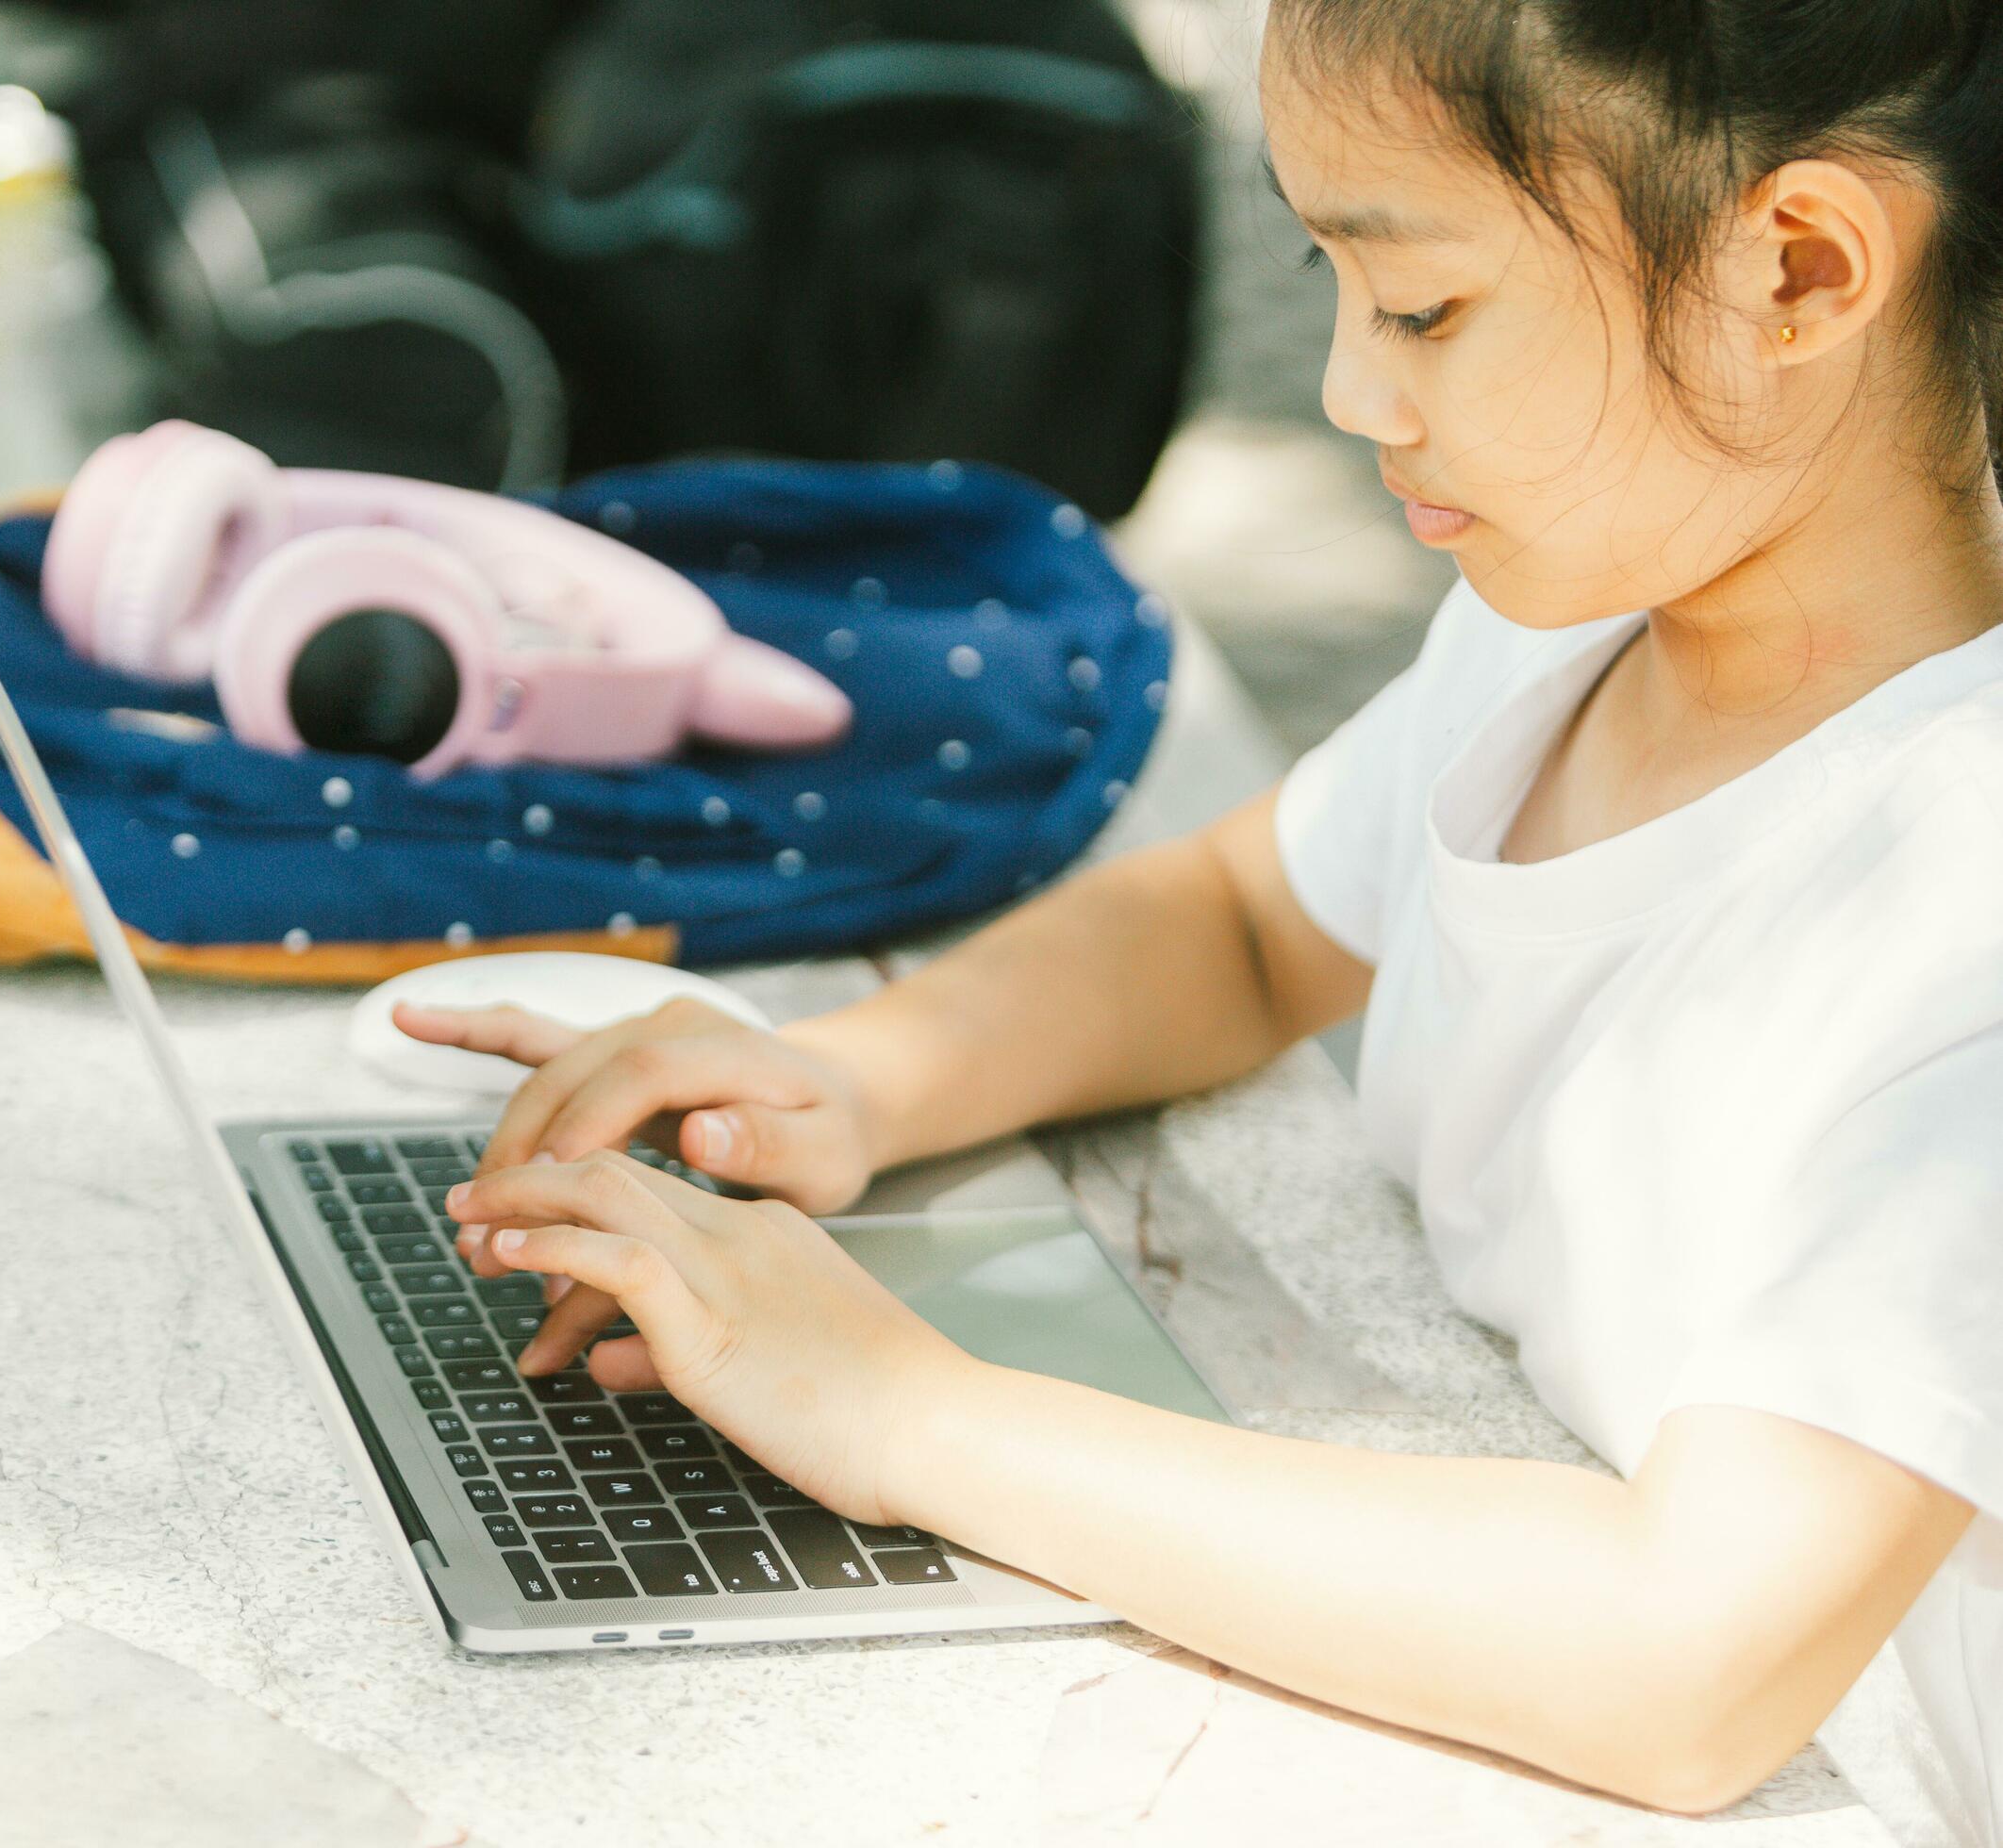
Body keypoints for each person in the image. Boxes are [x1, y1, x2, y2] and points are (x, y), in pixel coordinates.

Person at [391, 0, 2003, 1831]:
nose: (1344, 391)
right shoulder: (1576, 620)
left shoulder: (1961, 899)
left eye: (1422, 307)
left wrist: (910, 1412)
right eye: (1326, 276)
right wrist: (849, 1075)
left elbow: (1685, 1661)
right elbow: (1249, 918)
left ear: (1796, 269)